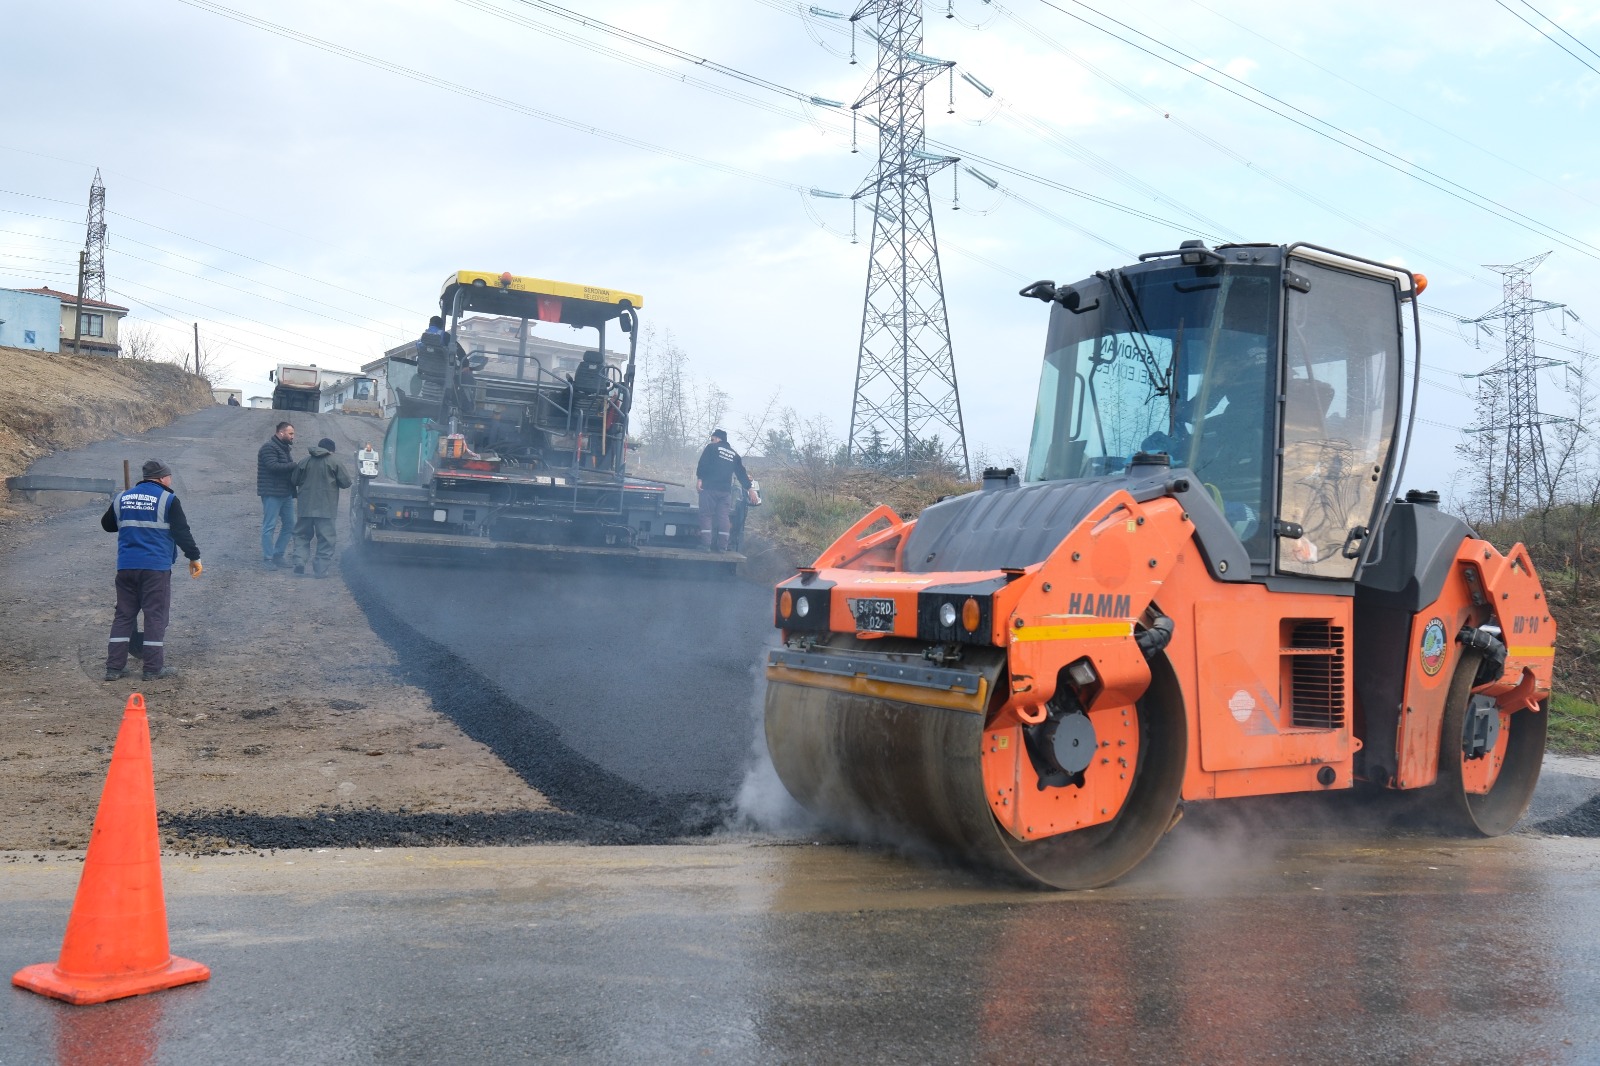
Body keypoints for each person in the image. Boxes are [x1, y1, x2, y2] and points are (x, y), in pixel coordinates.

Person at [102, 459, 202, 682]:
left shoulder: (122, 497)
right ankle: (152, 668)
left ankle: (114, 668)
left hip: (126, 567)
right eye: (169, 477)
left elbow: (107, 525)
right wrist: (194, 556)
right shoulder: (168, 499)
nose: (170, 481)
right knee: (155, 615)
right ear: (162, 478)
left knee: (124, 615)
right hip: (155, 568)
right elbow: (182, 532)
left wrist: (129, 511)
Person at [290, 437, 353, 577]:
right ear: (332, 450)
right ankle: (320, 570)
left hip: (305, 507)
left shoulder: (305, 461)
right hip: (326, 509)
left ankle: (300, 561)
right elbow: (346, 483)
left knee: (301, 535)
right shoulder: (334, 461)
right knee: (326, 540)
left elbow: (294, 480)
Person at [695, 428, 753, 552]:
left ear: (717, 438)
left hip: (709, 489)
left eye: (712, 439)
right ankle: (722, 547)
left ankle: (706, 545)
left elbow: (703, 464)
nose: (711, 441)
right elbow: (741, 473)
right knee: (723, 517)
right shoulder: (734, 454)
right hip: (725, 492)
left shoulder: (711, 448)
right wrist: (750, 488)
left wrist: (700, 479)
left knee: (706, 515)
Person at [257, 421, 297, 569]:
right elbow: (273, 466)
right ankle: (268, 559)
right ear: (281, 432)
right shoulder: (269, 448)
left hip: (285, 493)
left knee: (290, 524)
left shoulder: (283, 448)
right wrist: (295, 465)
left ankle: (278, 555)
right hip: (272, 493)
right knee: (269, 526)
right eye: (290, 433)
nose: (292, 436)